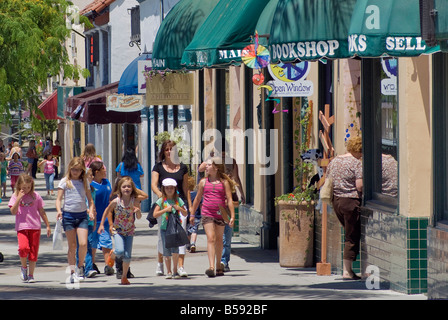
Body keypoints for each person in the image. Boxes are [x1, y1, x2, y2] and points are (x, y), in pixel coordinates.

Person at [198, 139, 244, 272]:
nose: (223, 154)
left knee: (227, 233)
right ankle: (220, 262)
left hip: (227, 199)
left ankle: (224, 261)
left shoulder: (231, 161)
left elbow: (236, 177)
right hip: (214, 202)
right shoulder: (212, 160)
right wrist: (210, 158)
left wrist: (241, 193)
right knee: (218, 236)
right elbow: (200, 169)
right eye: (220, 151)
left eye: (224, 151)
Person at [151, 140, 192, 277]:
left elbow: (186, 188)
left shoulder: (183, 168)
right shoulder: (158, 167)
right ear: (163, 152)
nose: (169, 152)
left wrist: (189, 206)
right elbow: (154, 185)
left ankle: (180, 266)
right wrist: (161, 198)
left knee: (180, 234)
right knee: (162, 235)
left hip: (179, 204)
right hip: (164, 205)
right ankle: (160, 263)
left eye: (171, 149)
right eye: (166, 149)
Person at [191, 157, 235, 277]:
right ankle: (211, 266)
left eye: (209, 165)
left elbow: (229, 199)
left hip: (220, 214)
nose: (206, 166)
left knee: (219, 239)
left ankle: (219, 265)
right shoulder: (203, 182)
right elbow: (198, 199)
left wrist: (232, 216)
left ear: (215, 168)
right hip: (207, 213)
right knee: (211, 238)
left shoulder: (224, 183)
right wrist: (192, 214)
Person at [326, 136, 363, 280]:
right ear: (359, 150)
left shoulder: (335, 161)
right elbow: (359, 185)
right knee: (351, 236)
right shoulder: (356, 163)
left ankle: (349, 270)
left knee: (348, 233)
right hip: (350, 202)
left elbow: (329, 179)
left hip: (337, 201)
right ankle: (347, 271)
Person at [55, 157, 95, 283]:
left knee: (83, 244)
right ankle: (72, 271)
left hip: (82, 215)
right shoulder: (64, 181)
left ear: (82, 170)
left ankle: (80, 266)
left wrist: (92, 211)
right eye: (73, 169)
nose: (75, 172)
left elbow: (90, 200)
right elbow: (59, 199)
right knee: (72, 246)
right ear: (70, 169)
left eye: (78, 170)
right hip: (68, 216)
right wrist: (59, 210)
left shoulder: (84, 182)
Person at [98, 177, 142, 285]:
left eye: (129, 186)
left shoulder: (134, 201)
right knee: (119, 251)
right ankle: (112, 254)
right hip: (118, 231)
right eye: (124, 186)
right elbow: (107, 211)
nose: (126, 188)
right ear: (119, 188)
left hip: (129, 231)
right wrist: (102, 224)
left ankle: (124, 277)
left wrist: (138, 211)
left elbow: (139, 217)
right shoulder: (116, 201)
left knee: (127, 256)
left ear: (132, 188)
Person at [8, 174, 51, 282]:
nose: (26, 190)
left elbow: (42, 211)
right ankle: (23, 268)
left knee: (33, 252)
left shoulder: (36, 196)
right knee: (23, 248)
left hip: (35, 227)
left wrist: (48, 225)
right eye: (23, 188)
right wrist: (19, 198)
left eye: (28, 187)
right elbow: (13, 211)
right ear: (19, 186)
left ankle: (31, 275)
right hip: (22, 227)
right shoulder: (15, 195)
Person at [153, 178, 188, 279]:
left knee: (175, 250)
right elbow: (155, 214)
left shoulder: (178, 200)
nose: (169, 190)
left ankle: (175, 270)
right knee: (166, 249)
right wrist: (165, 210)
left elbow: (185, 213)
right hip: (165, 228)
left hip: (176, 228)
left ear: (175, 189)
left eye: (171, 188)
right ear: (164, 189)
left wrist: (179, 208)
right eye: (167, 188)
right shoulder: (161, 201)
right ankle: (168, 271)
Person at [89, 161, 114, 276]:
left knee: (106, 242)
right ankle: (92, 264)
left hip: (105, 220)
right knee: (93, 243)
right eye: (103, 169)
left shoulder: (107, 183)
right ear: (97, 172)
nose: (105, 171)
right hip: (93, 219)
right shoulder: (91, 185)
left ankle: (108, 265)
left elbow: (110, 200)